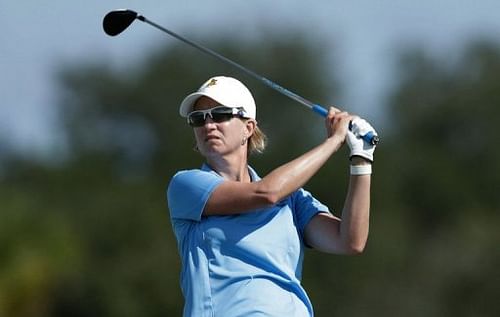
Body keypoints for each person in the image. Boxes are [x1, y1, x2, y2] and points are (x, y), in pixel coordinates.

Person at [166, 76, 377, 317]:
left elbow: (350, 241)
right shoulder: (186, 185)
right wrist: (334, 141)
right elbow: (266, 193)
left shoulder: (292, 199)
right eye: (198, 119)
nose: (208, 125)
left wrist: (361, 159)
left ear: (249, 127)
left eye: (221, 114)